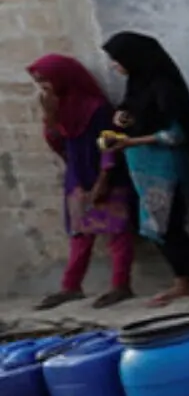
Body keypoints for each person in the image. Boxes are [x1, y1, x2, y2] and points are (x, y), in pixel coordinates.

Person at [99, 32, 189, 307]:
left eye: (117, 59)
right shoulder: (138, 83)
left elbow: (176, 134)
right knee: (155, 227)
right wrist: (123, 116)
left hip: (168, 169)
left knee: (169, 228)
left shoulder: (166, 86)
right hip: (144, 169)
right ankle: (183, 281)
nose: (114, 66)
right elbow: (137, 112)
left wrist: (130, 141)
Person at [28, 55, 136, 309]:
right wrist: (50, 116)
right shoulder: (60, 108)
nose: (42, 87)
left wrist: (103, 178)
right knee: (80, 233)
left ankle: (121, 285)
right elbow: (58, 144)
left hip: (104, 173)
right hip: (77, 175)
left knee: (118, 231)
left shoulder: (96, 108)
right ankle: (71, 286)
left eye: (45, 81)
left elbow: (110, 142)